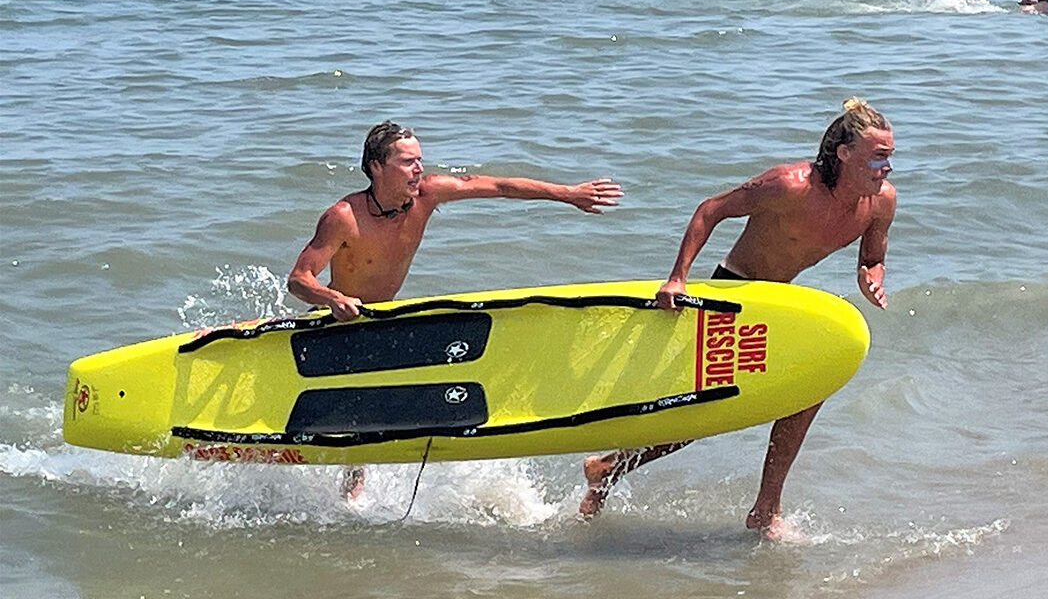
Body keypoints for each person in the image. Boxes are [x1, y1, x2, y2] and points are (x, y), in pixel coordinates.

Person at [579, 98, 896, 539]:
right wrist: (678, 279)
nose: (887, 167)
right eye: (878, 156)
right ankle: (608, 467)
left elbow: (873, 256)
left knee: (814, 382)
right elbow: (711, 209)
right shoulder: (789, 185)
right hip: (733, 292)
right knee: (706, 415)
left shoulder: (880, 203)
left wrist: (872, 276)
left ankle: (766, 509)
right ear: (844, 153)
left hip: (779, 303)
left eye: (890, 157)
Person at [288, 120, 623, 498]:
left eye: (420, 160)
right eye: (407, 162)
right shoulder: (344, 217)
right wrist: (334, 299)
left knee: (374, 411)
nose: (418, 169)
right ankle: (345, 491)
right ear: (376, 167)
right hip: (338, 324)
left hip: (385, 321)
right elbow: (299, 279)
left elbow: (498, 187)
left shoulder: (427, 195)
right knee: (354, 412)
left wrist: (567, 193)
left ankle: (361, 489)